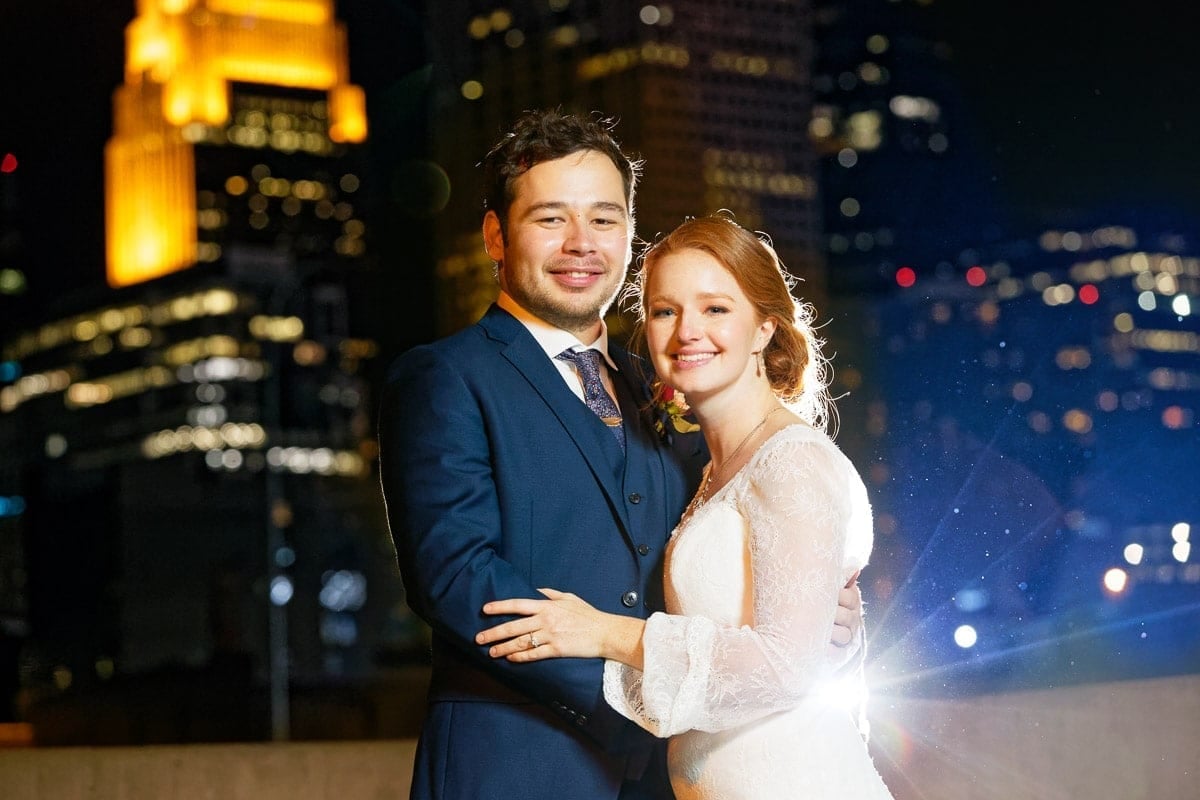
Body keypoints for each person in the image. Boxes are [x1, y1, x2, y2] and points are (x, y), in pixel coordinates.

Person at [379, 111, 864, 800]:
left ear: (629, 235)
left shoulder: (666, 384)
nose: (581, 244)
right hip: (514, 763)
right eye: (551, 219)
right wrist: (631, 686)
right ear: (495, 234)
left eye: (604, 220)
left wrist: (809, 619)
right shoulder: (445, 379)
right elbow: (455, 577)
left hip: (674, 775)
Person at [477, 214, 894, 799]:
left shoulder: (790, 461)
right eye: (665, 311)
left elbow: (785, 669)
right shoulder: (714, 467)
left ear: (764, 329)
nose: (686, 332)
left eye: (716, 309)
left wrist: (602, 633)